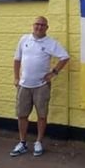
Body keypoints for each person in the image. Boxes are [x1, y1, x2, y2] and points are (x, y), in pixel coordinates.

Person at [10, 16, 69, 157]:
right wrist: (16, 78)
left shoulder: (51, 43)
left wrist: (53, 73)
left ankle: (38, 142)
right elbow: (17, 59)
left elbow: (65, 57)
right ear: (33, 25)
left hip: (41, 86)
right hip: (24, 85)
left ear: (46, 28)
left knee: (42, 115)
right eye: (37, 24)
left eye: (43, 25)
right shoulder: (24, 40)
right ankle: (22, 142)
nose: (39, 27)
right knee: (22, 115)